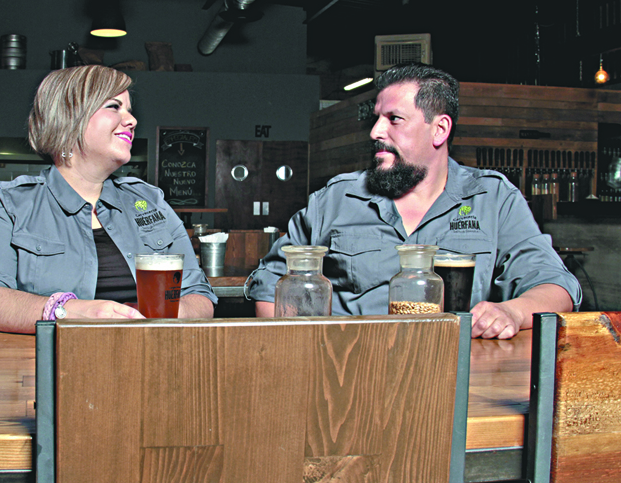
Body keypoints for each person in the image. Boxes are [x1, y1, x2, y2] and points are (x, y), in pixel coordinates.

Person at [245, 62, 580, 339]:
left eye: (394, 119)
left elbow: (556, 286)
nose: (376, 131)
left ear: (439, 130)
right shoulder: (334, 199)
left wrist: (512, 312)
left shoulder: (493, 199)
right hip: (347, 376)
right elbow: (269, 284)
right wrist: (301, 353)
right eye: (376, 118)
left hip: (457, 375)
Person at [0, 64, 216, 332]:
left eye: (129, 110)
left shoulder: (150, 202)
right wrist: (70, 312)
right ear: (69, 117)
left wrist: (159, 314)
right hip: (48, 357)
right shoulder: (7, 203)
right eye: (114, 107)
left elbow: (199, 295)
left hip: (148, 352)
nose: (132, 120)